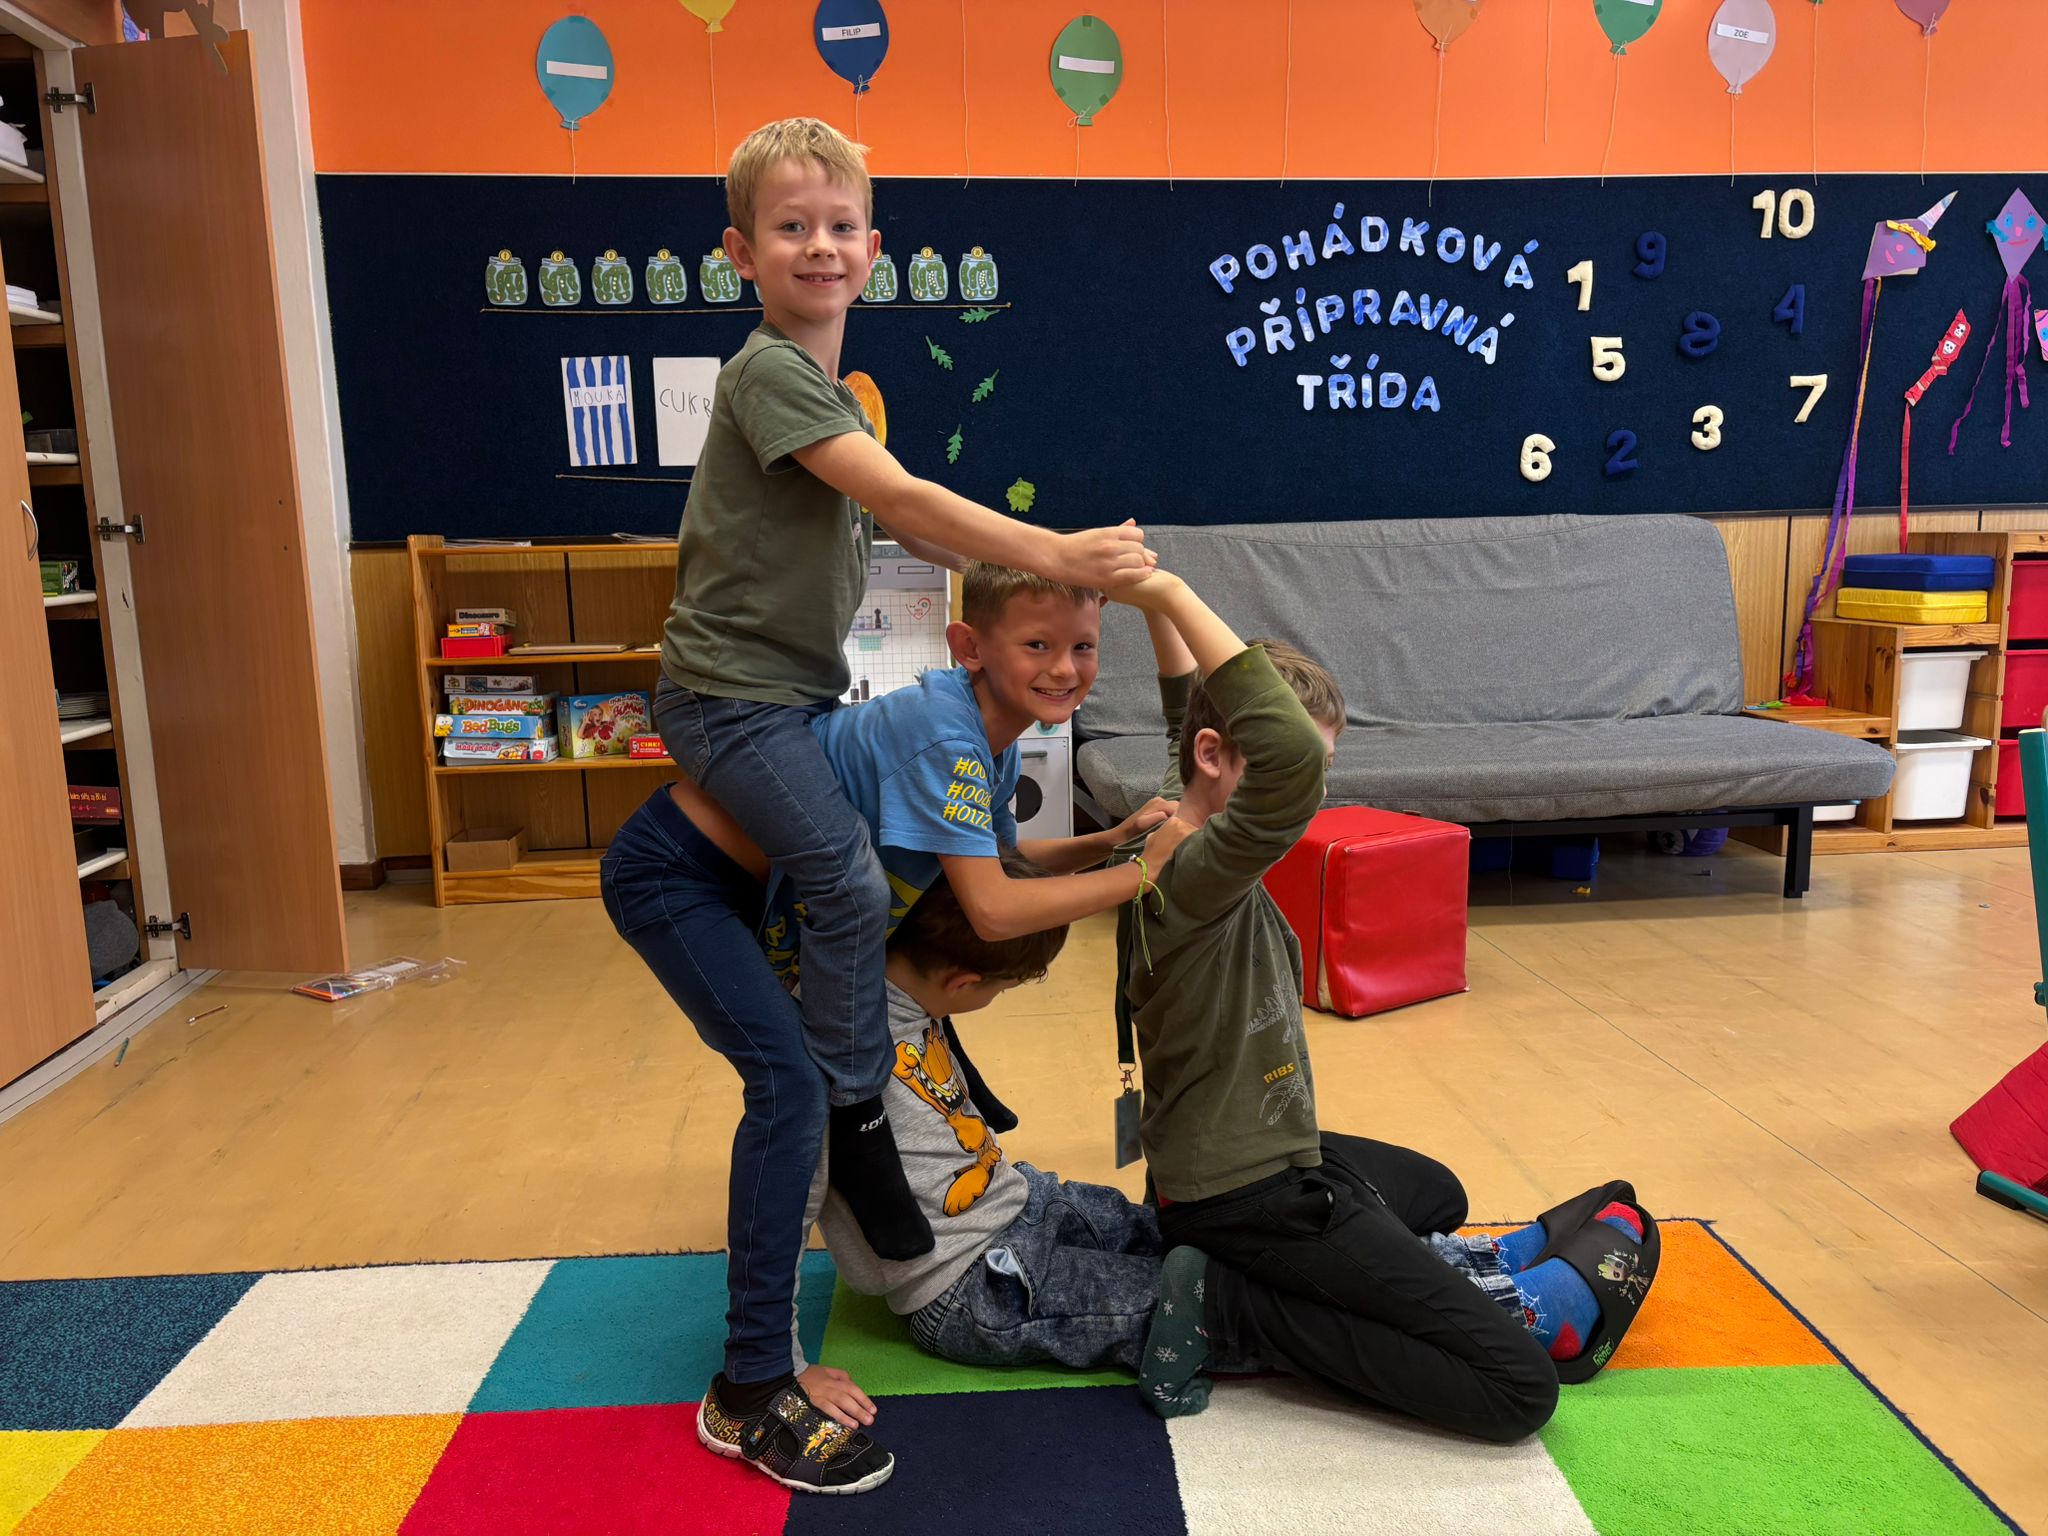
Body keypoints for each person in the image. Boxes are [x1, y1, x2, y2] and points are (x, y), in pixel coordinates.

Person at [654, 115, 1153, 1267]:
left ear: (872, 251)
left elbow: (914, 530)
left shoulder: (827, 392)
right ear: (739, 253)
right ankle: (856, 1115)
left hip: (789, 700)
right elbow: (904, 503)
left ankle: (864, 1089)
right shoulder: (769, 371)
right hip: (728, 699)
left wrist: (1044, 575)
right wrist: (1057, 550)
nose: (818, 246)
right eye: (790, 227)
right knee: (842, 876)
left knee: (869, 870)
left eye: (839, 226)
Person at [605, 563, 1184, 1492]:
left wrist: (1110, 844)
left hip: (774, 897)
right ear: (969, 647)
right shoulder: (944, 733)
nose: (1064, 668)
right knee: (792, 1088)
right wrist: (1146, 872)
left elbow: (995, 859)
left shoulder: (985, 734)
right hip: (683, 878)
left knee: (822, 1085)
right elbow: (992, 909)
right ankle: (752, 1383)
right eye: (1037, 644)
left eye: (1082, 646)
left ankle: (819, 1292)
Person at [1105, 569, 1661, 1443]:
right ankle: (1232, 1305)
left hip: (1254, 1159)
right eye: (1302, 771)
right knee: (1519, 1391)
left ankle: (1450, 1272)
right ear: (1219, 758)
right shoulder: (1196, 873)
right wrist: (1172, 593)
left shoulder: (1192, 827)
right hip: (1241, 1197)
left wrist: (1148, 608)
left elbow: (1194, 721)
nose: (1313, 794)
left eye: (1322, 772)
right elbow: (1260, 756)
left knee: (1437, 1192)